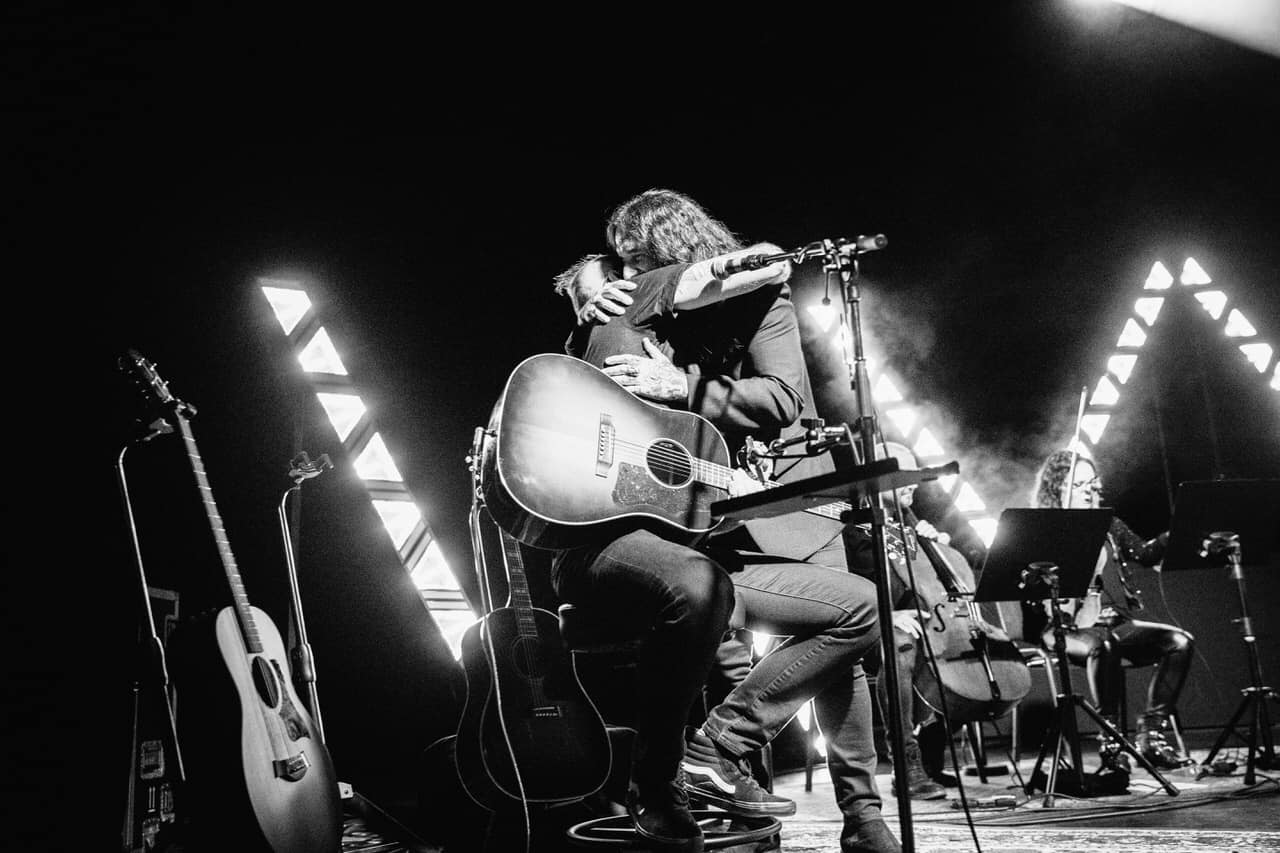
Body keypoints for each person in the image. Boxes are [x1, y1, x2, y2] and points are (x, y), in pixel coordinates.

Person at [549, 189, 899, 853]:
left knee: (845, 636)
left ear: (669, 248)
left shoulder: (760, 295)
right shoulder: (627, 311)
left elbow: (784, 398)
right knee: (721, 626)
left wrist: (685, 386)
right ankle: (725, 788)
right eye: (620, 268)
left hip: (779, 489)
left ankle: (864, 814)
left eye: (635, 261)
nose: (626, 277)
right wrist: (601, 303)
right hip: (689, 505)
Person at [853, 442, 1012, 800]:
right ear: (878, 481)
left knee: (966, 654)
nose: (913, 484)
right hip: (873, 627)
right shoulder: (857, 527)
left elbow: (940, 589)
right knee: (900, 643)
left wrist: (936, 547)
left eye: (914, 476)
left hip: (927, 623)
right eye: (902, 477)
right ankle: (905, 763)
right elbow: (851, 589)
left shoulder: (913, 528)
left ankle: (931, 753)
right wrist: (887, 615)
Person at [1030, 448, 1195, 773]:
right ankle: (1111, 742)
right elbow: (1031, 591)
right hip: (1065, 628)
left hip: (1113, 622)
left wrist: (1175, 531)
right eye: (1078, 486)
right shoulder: (1043, 527)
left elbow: (1145, 553)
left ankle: (1152, 734)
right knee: (1104, 645)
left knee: (1179, 642)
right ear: (1057, 489)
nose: (1089, 492)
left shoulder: (1108, 523)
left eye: (1092, 484)